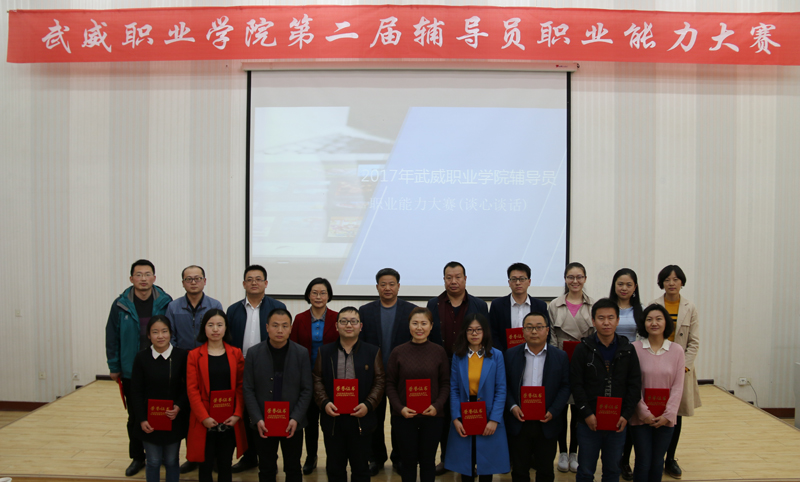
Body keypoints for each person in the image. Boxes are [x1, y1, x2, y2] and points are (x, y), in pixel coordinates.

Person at [105, 259, 173, 476]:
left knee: (161, 411)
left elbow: (173, 334)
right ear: (131, 278)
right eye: (139, 274)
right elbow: (111, 337)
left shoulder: (165, 302)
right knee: (135, 415)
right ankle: (137, 457)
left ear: (154, 277)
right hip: (131, 369)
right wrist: (114, 365)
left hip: (161, 367)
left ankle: (163, 455)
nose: (143, 279)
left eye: (147, 274)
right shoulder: (120, 305)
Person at [570, 298, 642, 482]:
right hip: (588, 421)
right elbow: (576, 384)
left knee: (612, 470)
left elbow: (634, 385)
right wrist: (587, 413)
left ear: (618, 320)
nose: (606, 322)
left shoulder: (628, 349)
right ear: (593, 321)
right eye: (601, 318)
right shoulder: (582, 349)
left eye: (611, 318)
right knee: (585, 471)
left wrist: (626, 415)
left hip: (617, 422)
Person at [426, 261, 488, 473]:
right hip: (441, 367)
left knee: (473, 412)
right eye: (449, 277)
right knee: (445, 415)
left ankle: (474, 459)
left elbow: (485, 337)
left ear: (465, 279)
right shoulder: (433, 304)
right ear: (444, 280)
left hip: (470, 367)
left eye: (458, 277)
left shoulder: (479, 305)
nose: (453, 281)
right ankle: (447, 459)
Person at [312, 307, 385, 482]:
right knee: (335, 469)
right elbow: (317, 379)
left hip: (361, 419)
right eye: (344, 321)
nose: (349, 325)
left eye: (353, 321)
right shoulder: (325, 352)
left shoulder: (372, 351)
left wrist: (368, 404)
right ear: (336, 326)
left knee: (361, 469)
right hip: (333, 419)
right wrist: (324, 402)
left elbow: (380, 381)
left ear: (361, 326)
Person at [226, 265, 287, 472]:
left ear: (265, 283)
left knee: (267, 410)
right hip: (240, 368)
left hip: (268, 367)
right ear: (244, 284)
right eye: (250, 279)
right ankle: (250, 456)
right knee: (245, 412)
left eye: (258, 279)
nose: (254, 282)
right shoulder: (233, 310)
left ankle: (269, 458)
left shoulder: (277, 307)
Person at [243, 308, 313, 482]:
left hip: (292, 422)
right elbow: (248, 389)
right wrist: (257, 418)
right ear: (267, 327)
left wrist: (296, 418)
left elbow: (307, 389)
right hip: (263, 422)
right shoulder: (253, 353)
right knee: (266, 468)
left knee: (293, 467)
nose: (280, 330)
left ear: (290, 328)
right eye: (275, 325)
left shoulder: (301, 353)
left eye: (284, 326)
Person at [165, 264, 224, 473]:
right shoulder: (173, 307)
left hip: (210, 364)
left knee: (211, 410)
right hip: (183, 366)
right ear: (183, 283)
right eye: (188, 279)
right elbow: (170, 336)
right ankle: (193, 456)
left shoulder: (214, 305)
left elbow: (219, 333)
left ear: (204, 281)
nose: (193, 282)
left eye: (197, 278)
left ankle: (214, 457)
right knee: (189, 414)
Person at [359, 268, 417, 475]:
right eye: (383, 284)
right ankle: (375, 458)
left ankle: (399, 458)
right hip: (373, 376)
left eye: (392, 284)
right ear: (377, 287)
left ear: (398, 286)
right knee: (373, 419)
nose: (387, 288)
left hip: (400, 376)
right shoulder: (365, 311)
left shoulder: (411, 311)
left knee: (399, 420)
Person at [504, 312, 570, 482]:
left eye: (539, 327)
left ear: (547, 330)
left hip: (547, 421)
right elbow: (505, 385)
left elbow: (565, 387)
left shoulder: (560, 356)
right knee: (519, 470)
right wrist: (513, 407)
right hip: (519, 420)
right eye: (529, 327)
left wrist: (554, 411)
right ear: (523, 331)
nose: (534, 331)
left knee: (545, 470)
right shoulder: (510, 355)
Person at [386, 307, 450, 482]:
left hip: (433, 416)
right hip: (404, 417)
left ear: (431, 326)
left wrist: (437, 406)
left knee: (428, 462)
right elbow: (390, 384)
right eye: (415, 323)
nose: (419, 328)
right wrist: (400, 408)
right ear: (409, 326)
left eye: (424, 323)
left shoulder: (439, 351)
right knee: (408, 463)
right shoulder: (398, 352)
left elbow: (445, 383)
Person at [444, 313, 510, 482]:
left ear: (485, 332)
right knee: (466, 463)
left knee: (487, 464)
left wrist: (494, 419)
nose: (474, 334)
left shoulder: (496, 355)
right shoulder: (458, 356)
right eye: (470, 330)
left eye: (478, 330)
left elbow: (501, 389)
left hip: (488, 413)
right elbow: (454, 389)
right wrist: (456, 418)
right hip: (465, 412)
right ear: (464, 332)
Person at [649, 265, 700, 479]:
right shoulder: (654, 305)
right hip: (656, 367)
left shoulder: (690, 307)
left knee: (675, 414)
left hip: (680, 369)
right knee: (654, 410)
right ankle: (655, 457)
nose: (671, 283)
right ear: (662, 283)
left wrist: (683, 367)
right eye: (667, 279)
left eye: (676, 279)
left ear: (682, 282)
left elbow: (694, 342)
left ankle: (670, 458)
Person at [186, 309, 248, 482]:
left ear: (225, 328)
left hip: (229, 419)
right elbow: (192, 390)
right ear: (204, 328)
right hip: (204, 419)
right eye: (210, 325)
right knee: (205, 466)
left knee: (225, 465)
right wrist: (204, 417)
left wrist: (237, 414)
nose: (215, 329)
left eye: (219, 325)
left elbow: (241, 387)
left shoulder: (235, 353)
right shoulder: (194, 355)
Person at [289, 277, 339, 475]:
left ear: (329, 296)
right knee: (309, 422)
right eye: (315, 293)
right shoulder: (300, 318)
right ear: (308, 295)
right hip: (306, 378)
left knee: (329, 421)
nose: (319, 297)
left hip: (330, 378)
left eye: (323, 293)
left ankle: (333, 458)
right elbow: (293, 348)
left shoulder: (337, 317)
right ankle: (311, 457)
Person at [547, 261, 594, 473]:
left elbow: (594, 337)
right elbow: (551, 336)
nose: (575, 281)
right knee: (559, 409)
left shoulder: (593, 305)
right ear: (565, 279)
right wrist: (558, 360)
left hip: (584, 365)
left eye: (579, 277)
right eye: (570, 277)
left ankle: (574, 451)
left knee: (578, 410)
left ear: (585, 279)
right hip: (560, 363)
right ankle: (563, 452)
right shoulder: (554, 305)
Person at [130, 316, 189, 482]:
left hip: (173, 419)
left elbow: (188, 387)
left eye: (164, 331)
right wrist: (142, 419)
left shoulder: (181, 356)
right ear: (149, 335)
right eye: (155, 332)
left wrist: (178, 406)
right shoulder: (141, 357)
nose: (160, 336)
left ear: (170, 333)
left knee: (171, 461)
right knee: (153, 461)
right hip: (149, 420)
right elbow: (136, 391)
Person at [629, 305, 685, 482]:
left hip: (666, 418)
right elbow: (632, 384)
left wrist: (669, 414)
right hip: (640, 417)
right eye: (649, 319)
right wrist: (644, 413)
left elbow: (678, 386)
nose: (654, 323)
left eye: (658, 319)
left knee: (657, 462)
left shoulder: (677, 350)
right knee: (643, 462)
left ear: (666, 322)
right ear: (643, 324)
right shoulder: (634, 348)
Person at [608, 268, 644, 481]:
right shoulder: (608, 308)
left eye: (628, 284)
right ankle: (611, 457)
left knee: (628, 411)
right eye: (620, 284)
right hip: (608, 363)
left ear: (635, 287)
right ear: (614, 285)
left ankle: (625, 460)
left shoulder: (641, 311)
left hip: (631, 364)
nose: (624, 288)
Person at [489, 262, 551, 352]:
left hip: (534, 354)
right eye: (514, 279)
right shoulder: (497, 305)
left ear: (529, 282)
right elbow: (492, 334)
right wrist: (504, 355)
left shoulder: (540, 306)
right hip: (505, 354)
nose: (518, 283)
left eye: (522, 279)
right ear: (509, 282)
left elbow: (546, 333)